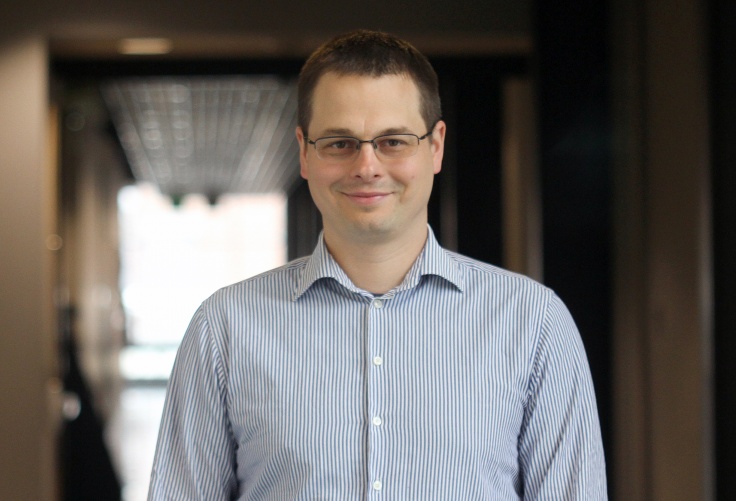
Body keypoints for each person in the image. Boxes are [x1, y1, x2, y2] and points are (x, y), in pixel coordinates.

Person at [147, 29, 607, 500]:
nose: (366, 166)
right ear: (304, 151)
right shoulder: (224, 329)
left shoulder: (533, 325)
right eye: (340, 143)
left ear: (436, 147)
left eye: (393, 141)